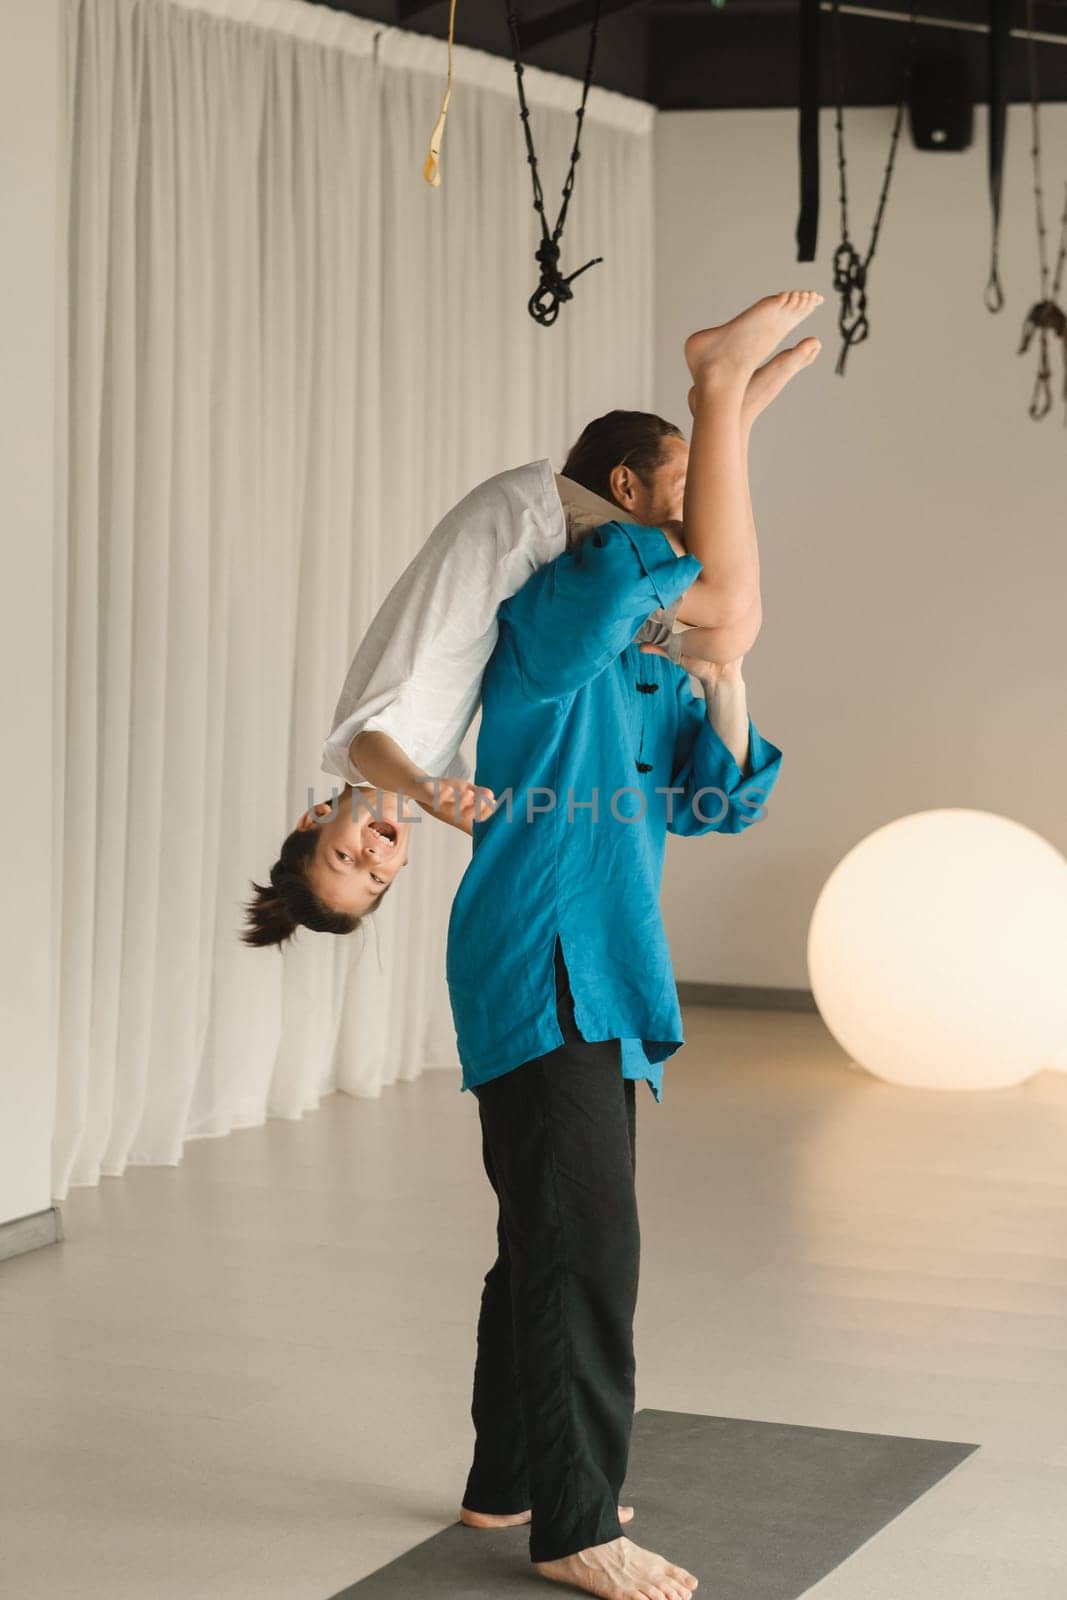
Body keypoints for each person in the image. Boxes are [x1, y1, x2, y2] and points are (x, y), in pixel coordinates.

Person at [446, 291, 818, 1600]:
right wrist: (726, 402)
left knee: (543, 1234)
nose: (691, 522)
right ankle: (576, 1523)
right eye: (675, 492)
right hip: (540, 957)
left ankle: (507, 1483)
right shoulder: (557, 611)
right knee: (586, 1248)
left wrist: (725, 683)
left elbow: (713, 798)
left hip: (607, 963)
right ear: (621, 493)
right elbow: (705, 590)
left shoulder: (646, 652)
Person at [238, 291, 821, 953]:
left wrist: (431, 795)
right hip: (530, 558)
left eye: (344, 857)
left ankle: (721, 387)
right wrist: (455, 804)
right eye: (376, 878)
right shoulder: (427, 767)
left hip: (520, 530)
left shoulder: (364, 758)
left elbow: (373, 748)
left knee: (720, 612)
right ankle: (728, 419)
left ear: (317, 816)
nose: (373, 856)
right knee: (713, 622)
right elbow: (498, 790)